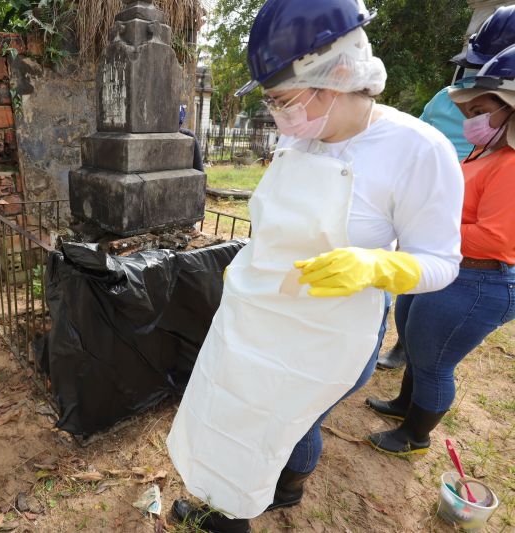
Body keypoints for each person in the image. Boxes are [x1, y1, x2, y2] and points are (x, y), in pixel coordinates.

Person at [165, 1, 464, 531]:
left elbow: (441, 262)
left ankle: (244, 506)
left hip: (329, 333)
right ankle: (269, 489)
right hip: (258, 313)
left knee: (285, 422)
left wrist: (377, 266)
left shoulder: (418, 150)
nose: (280, 115)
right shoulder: (299, 132)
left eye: (284, 100)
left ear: (339, 76)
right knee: (231, 407)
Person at [366, 44, 515, 456]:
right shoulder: (491, 151)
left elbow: (496, 237)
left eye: (483, 110)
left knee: (434, 360)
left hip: (479, 277)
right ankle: (404, 406)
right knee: (415, 341)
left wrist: (430, 228)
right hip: (451, 266)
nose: (473, 120)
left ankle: (415, 435)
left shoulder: (512, 165)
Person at [378, 5, 515, 370]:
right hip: (433, 211)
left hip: (468, 241)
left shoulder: (507, 159)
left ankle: (419, 358)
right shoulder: (449, 99)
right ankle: (406, 345)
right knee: (412, 301)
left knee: (434, 341)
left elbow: (496, 234)